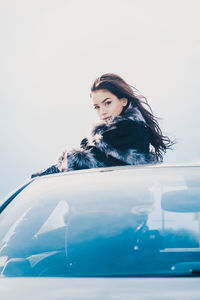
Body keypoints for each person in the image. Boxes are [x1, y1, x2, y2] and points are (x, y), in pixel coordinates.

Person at [31, 73, 173, 178]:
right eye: (97, 107)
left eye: (107, 103)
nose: (102, 111)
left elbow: (84, 162)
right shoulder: (112, 133)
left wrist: (50, 173)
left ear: (123, 100)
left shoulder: (130, 130)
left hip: (123, 212)